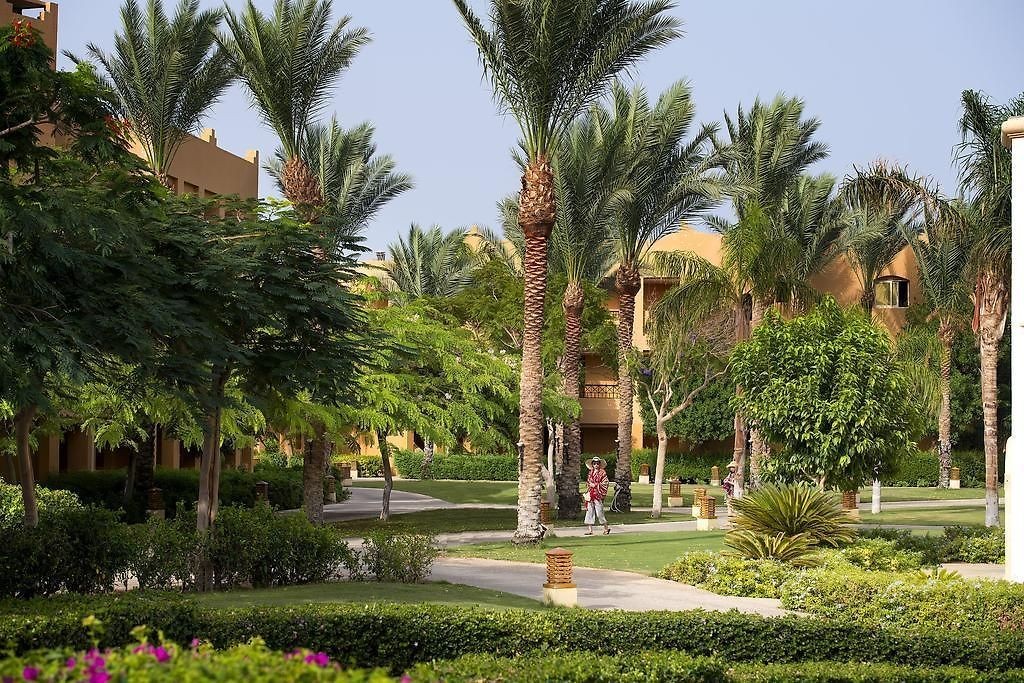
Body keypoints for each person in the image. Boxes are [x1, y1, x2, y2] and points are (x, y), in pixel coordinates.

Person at [584, 456, 610, 535]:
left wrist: (595, 485)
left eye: (597, 463)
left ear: (599, 464)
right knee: (589, 512)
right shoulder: (590, 473)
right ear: (592, 464)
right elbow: (588, 482)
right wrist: (589, 487)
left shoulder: (602, 473)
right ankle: (590, 530)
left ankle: (606, 528)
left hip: (597, 495)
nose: (596, 465)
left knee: (599, 513)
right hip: (590, 495)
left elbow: (605, 483)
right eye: (594, 463)